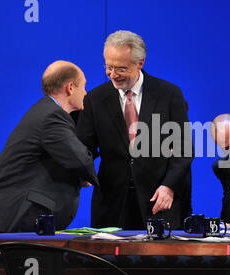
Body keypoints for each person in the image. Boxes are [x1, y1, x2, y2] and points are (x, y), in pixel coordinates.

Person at [76, 30, 193, 230]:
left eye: (120, 68)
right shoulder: (95, 99)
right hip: (112, 205)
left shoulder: (169, 94)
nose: (112, 74)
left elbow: (184, 149)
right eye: (108, 67)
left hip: (159, 200)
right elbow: (84, 147)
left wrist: (169, 186)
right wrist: (80, 174)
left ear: (140, 63)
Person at [0, 60, 99, 233]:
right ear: (70, 87)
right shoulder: (52, 117)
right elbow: (80, 160)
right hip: (13, 213)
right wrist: (91, 178)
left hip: (7, 212)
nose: (85, 92)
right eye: (83, 86)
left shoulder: (45, 110)